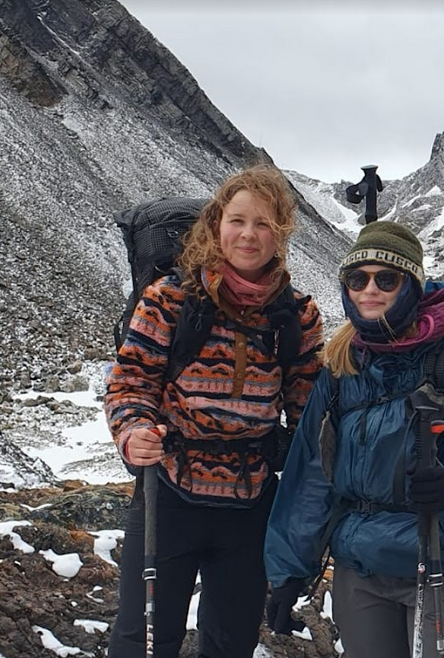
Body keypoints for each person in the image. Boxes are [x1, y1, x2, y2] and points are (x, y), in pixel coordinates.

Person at [105, 166, 324, 657]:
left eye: (263, 223)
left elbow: (308, 415)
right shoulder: (170, 299)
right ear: (216, 225)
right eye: (237, 220)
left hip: (250, 502)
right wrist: (133, 430)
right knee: (143, 641)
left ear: (281, 233)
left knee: (231, 642)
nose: (248, 234)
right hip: (168, 492)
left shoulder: (296, 315)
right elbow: (130, 382)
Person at [264, 221, 444, 657]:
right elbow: (312, 475)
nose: (369, 290)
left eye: (386, 279)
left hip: (439, 560)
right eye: (358, 280)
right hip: (360, 570)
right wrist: (288, 572)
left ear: (411, 285)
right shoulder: (340, 368)